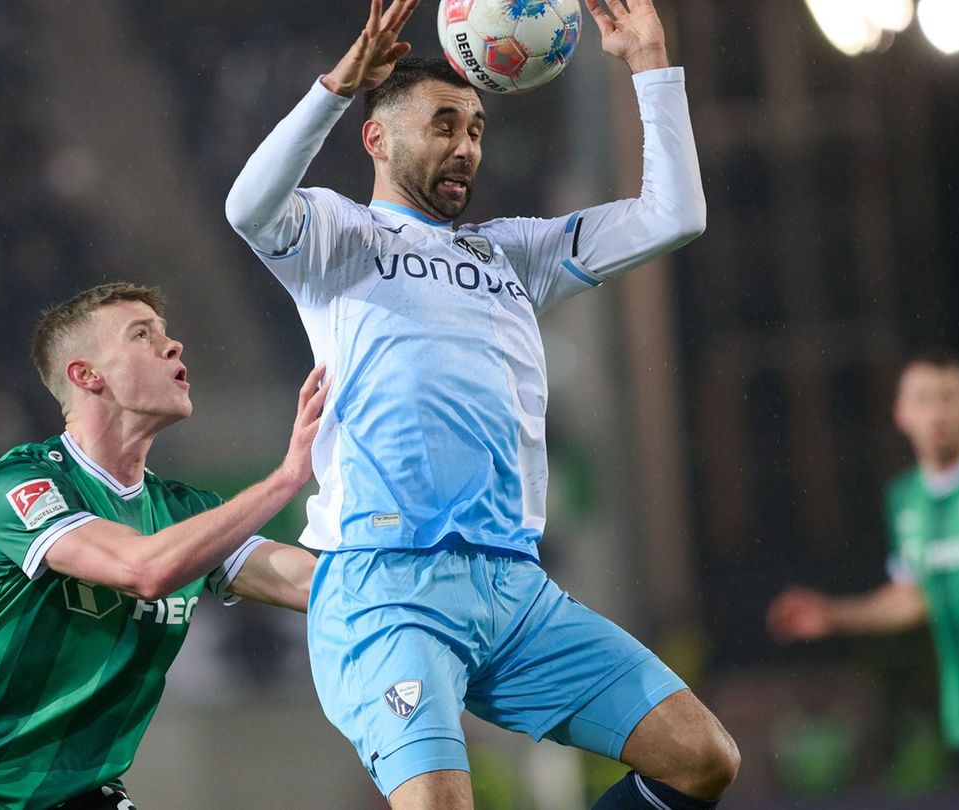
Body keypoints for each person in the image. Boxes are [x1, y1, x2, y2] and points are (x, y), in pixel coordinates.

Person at [224, 1, 738, 808]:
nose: (466, 146)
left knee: (703, 758)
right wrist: (334, 87)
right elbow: (247, 207)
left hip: (514, 588)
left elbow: (675, 216)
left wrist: (650, 69)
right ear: (378, 138)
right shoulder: (337, 238)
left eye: (476, 129)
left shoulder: (512, 253)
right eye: (444, 125)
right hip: (385, 586)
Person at [0, 282, 325, 810]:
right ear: (86, 375)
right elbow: (142, 570)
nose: (173, 346)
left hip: (77, 796)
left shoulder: (185, 513)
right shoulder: (21, 485)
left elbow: (320, 585)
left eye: (167, 334)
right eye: (142, 335)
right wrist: (287, 479)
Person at [768, 347, 959, 810]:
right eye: (923, 399)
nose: (936, 413)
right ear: (900, 413)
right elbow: (914, 599)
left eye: (947, 397)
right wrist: (833, 615)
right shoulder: (906, 501)